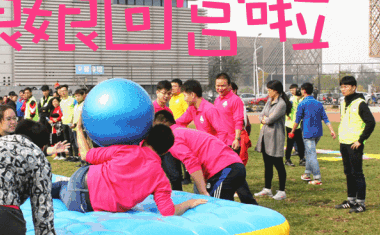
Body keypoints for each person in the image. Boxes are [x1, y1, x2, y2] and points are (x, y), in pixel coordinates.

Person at [53, 117, 207, 215]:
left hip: (80, 183)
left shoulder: (126, 150)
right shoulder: (160, 178)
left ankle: (48, 187)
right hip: (81, 205)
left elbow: (86, 155)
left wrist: (79, 129)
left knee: (62, 185)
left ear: (145, 138)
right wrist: (188, 204)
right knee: (63, 188)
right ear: (166, 151)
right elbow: (168, 212)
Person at [154, 110, 257, 205]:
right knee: (247, 204)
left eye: (155, 127)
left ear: (163, 122)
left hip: (224, 169)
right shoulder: (182, 131)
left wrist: (202, 191)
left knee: (216, 206)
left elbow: (191, 161)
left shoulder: (173, 137)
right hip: (234, 164)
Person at [334, 76, 376, 213]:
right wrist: (341, 138)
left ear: (353, 87)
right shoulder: (343, 102)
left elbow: (371, 122)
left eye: (346, 86)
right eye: (342, 87)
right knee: (348, 173)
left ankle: (361, 203)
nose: (343, 89)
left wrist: (360, 140)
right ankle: (351, 201)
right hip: (344, 142)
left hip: (354, 144)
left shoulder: (360, 103)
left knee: (357, 173)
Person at [289, 83, 336, 186]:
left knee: (311, 155)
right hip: (318, 133)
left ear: (303, 90)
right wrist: (331, 130)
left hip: (308, 133)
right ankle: (307, 174)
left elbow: (297, 120)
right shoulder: (318, 103)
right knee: (309, 153)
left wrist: (292, 131)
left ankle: (317, 178)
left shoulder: (302, 103)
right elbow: (325, 118)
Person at [254, 80, 292, 200]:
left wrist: (265, 119)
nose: (268, 92)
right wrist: (264, 119)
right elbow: (261, 115)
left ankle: (282, 191)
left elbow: (270, 119)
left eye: (269, 90)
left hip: (275, 138)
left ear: (276, 91)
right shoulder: (269, 101)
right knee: (267, 164)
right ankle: (267, 189)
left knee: (278, 164)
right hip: (265, 137)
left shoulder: (281, 104)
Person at [213, 73, 244, 153]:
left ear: (229, 86)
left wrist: (237, 139)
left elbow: (238, 121)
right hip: (219, 142)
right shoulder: (217, 100)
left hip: (231, 143)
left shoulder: (235, 100)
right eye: (218, 86)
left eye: (223, 86)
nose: (220, 88)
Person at [285, 84, 306, 167]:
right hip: (290, 125)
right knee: (290, 143)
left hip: (297, 125)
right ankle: (287, 159)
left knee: (300, 143)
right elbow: (286, 108)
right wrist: (287, 115)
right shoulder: (292, 99)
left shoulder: (299, 100)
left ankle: (302, 159)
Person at [58, 85, 77, 161]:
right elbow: (62, 111)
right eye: (61, 91)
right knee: (67, 140)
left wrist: (74, 121)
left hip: (71, 123)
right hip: (64, 122)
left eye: (64, 90)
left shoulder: (72, 100)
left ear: (67, 91)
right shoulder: (61, 102)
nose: (63, 92)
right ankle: (70, 155)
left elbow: (76, 110)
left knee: (73, 139)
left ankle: (76, 155)